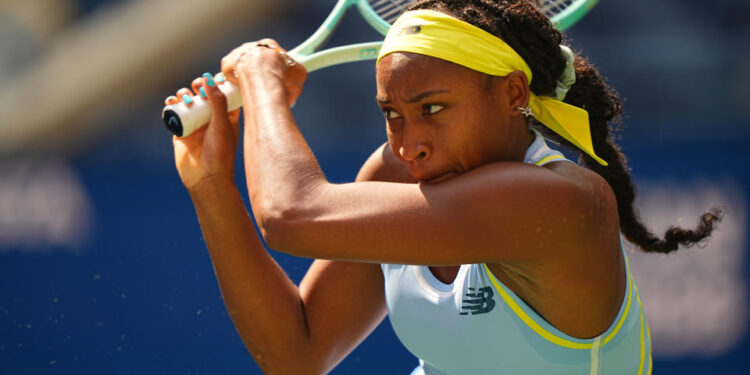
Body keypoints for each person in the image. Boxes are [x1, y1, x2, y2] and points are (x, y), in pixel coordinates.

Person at [164, 1, 723, 374]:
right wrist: (211, 184)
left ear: (512, 95)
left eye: (434, 108)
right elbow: (296, 352)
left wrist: (263, 86)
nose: (410, 144)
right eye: (392, 113)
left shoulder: (558, 204)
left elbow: (290, 214)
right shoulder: (396, 172)